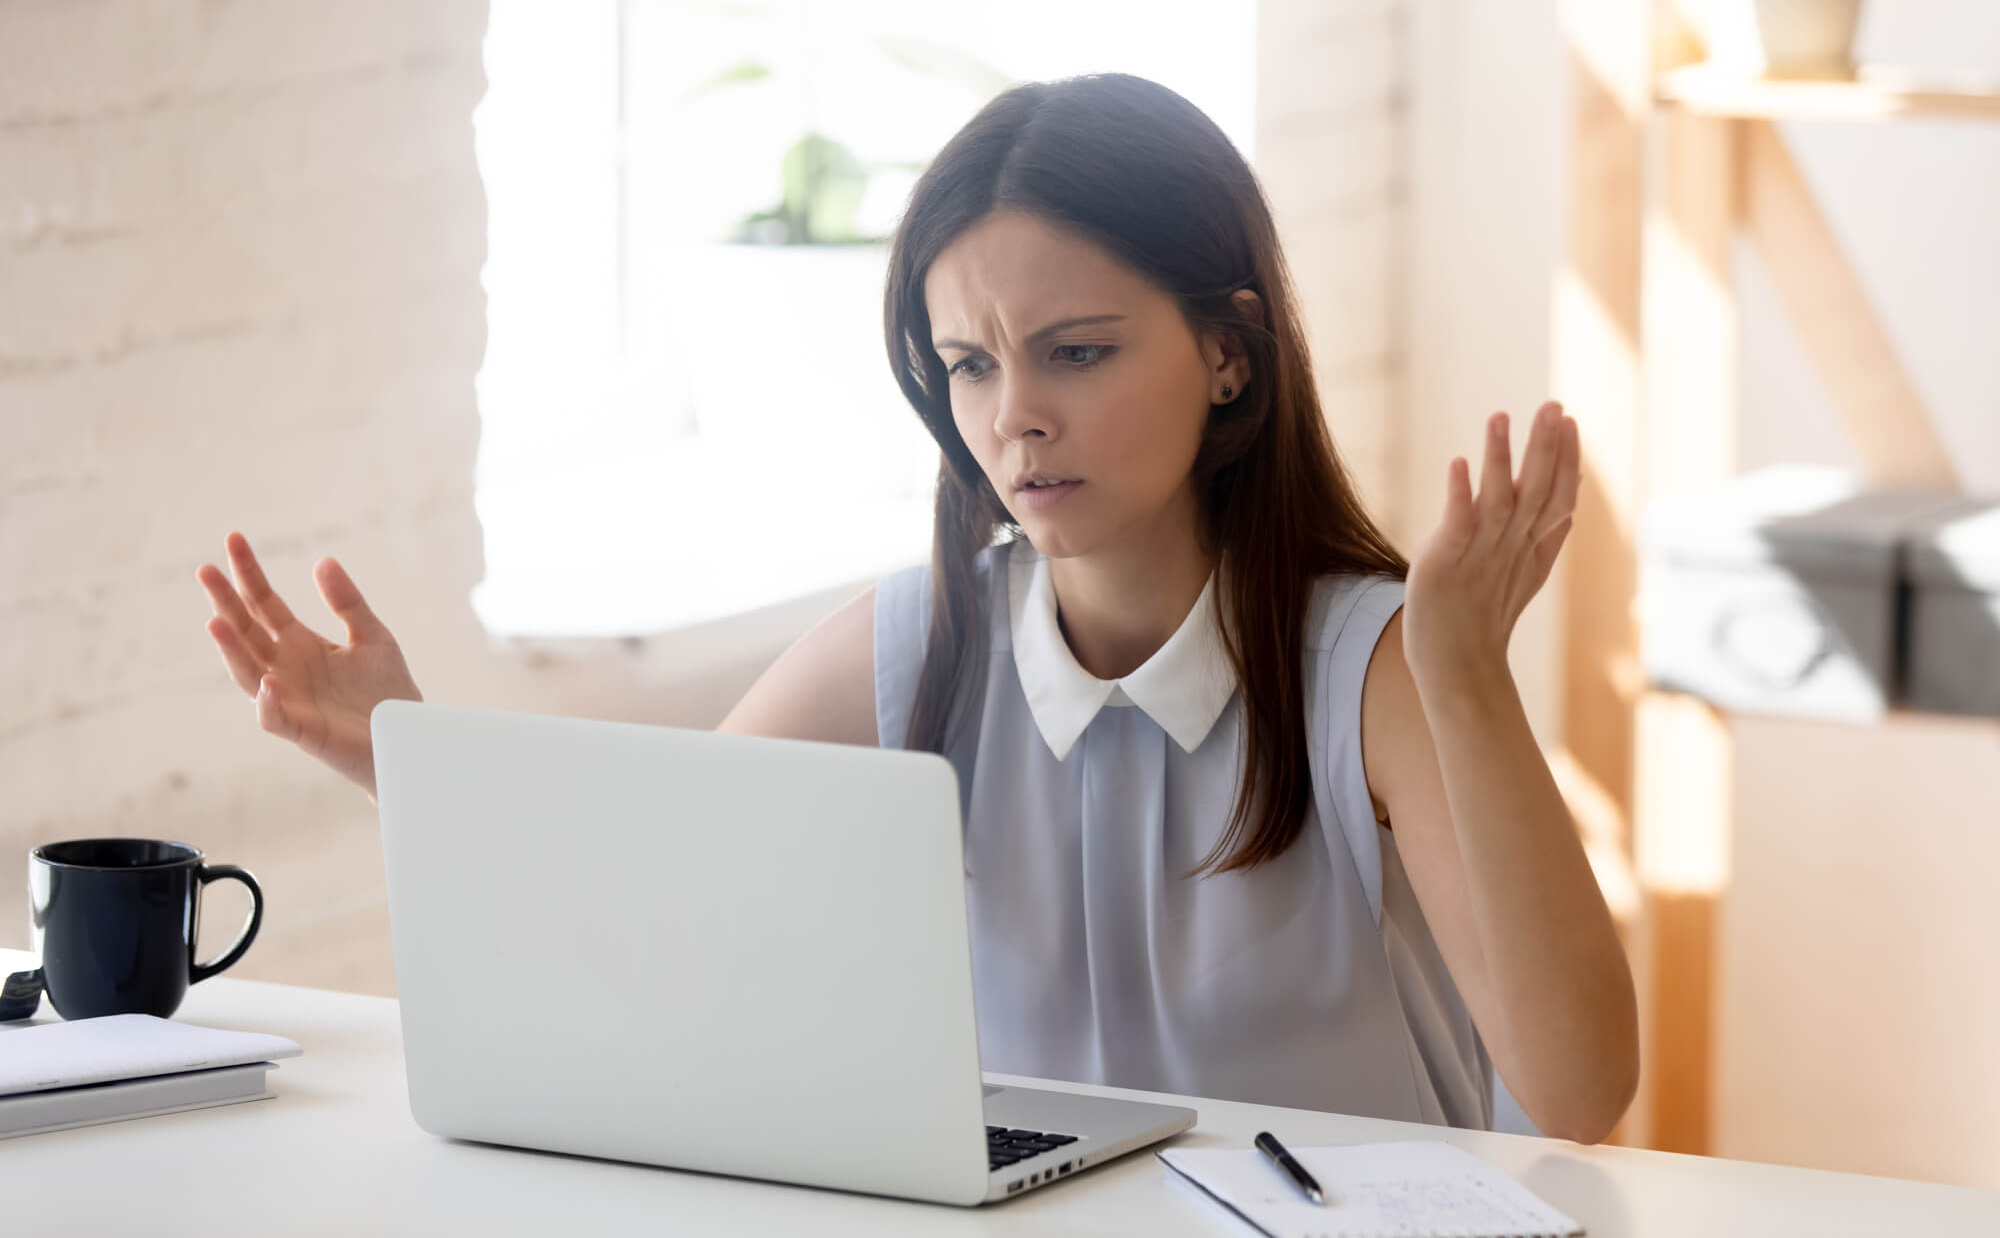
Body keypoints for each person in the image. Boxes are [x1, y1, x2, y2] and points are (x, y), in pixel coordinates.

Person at [196, 72, 1636, 1144]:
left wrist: (1464, 669)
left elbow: (1579, 1088)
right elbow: (629, 898)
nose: (1016, 420)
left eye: (1076, 351)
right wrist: (403, 751)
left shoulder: (1367, 664)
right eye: (968, 365)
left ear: (1229, 352)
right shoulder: (909, 650)